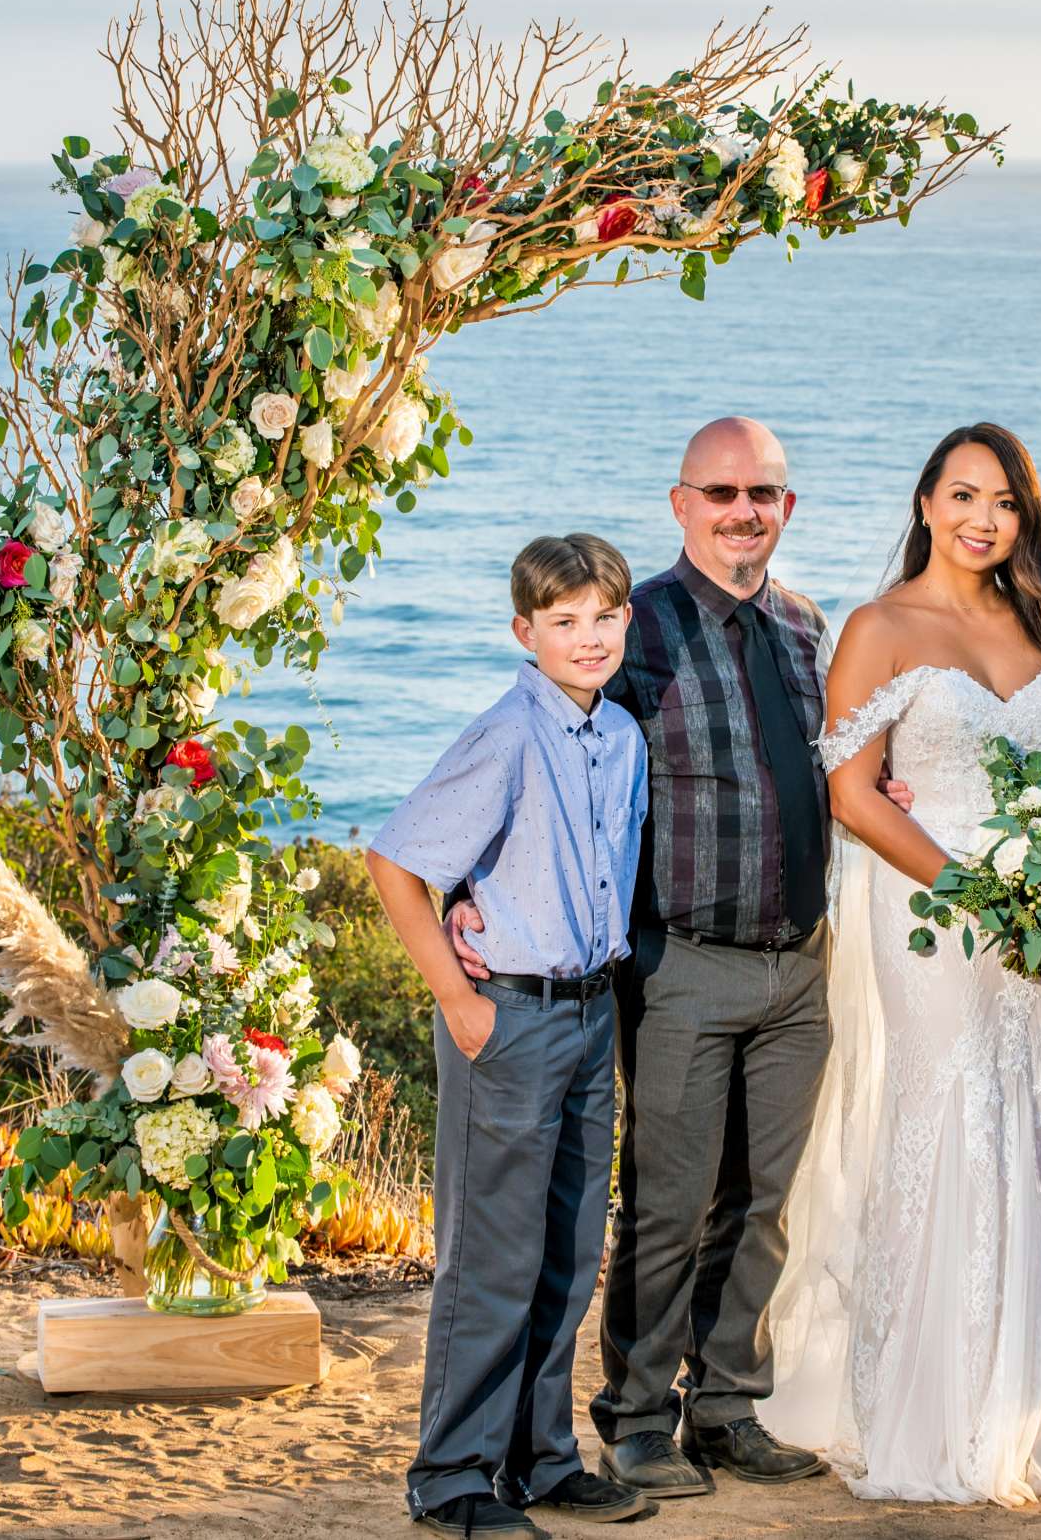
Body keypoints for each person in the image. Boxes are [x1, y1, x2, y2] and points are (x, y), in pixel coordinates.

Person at [448, 419, 859, 1499]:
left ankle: (728, 1408)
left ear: (787, 507)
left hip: (800, 968)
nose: (744, 510)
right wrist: (463, 894)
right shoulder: (641, 634)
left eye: (763, 492)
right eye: (721, 491)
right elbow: (552, 765)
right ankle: (637, 1420)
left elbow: (830, 773)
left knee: (765, 1204)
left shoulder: (811, 629)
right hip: (681, 965)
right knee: (668, 1206)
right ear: (682, 504)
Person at [760, 423, 1041, 1505]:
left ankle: (1035, 1405)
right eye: (963, 496)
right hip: (935, 914)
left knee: (1030, 1118)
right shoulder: (881, 627)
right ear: (927, 501)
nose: (982, 519)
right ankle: (930, 1406)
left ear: (1026, 517)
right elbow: (852, 793)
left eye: (1004, 502)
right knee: (949, 1118)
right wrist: (978, 893)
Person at [364, 535, 655, 1538]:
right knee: (491, 1258)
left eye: (603, 617)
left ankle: (541, 1458)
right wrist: (458, 996)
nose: (587, 637)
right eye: (562, 621)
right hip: (512, 1019)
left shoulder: (619, 739)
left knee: (569, 1252)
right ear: (523, 632)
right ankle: (452, 1476)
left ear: (626, 620)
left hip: (589, 1013)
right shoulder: (505, 734)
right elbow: (396, 862)